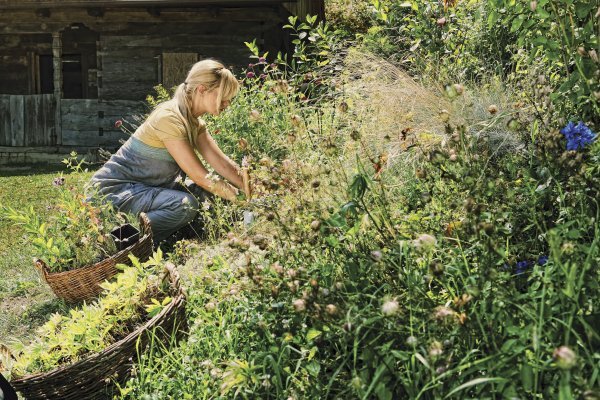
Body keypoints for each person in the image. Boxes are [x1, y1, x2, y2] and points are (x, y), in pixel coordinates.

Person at [89, 59, 248, 244]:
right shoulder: (169, 117)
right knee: (186, 205)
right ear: (202, 90)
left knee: (206, 195)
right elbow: (200, 176)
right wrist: (241, 199)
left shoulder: (194, 123)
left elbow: (223, 165)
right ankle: (115, 241)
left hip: (143, 189)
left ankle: (159, 239)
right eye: (223, 96)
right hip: (113, 193)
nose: (227, 103)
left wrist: (254, 189)